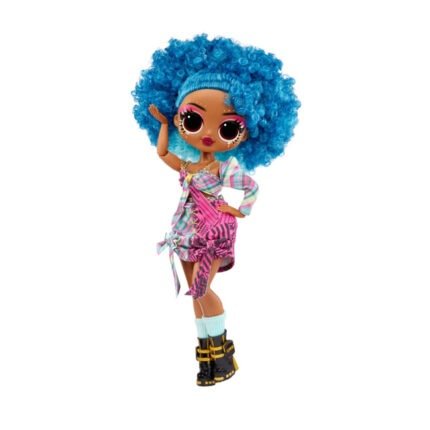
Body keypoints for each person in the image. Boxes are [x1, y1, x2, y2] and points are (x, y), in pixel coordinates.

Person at [132, 34, 300, 386]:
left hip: (213, 232)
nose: (208, 134)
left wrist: (238, 211)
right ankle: (207, 358)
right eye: (193, 121)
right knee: (195, 293)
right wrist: (163, 125)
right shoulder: (189, 166)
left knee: (201, 289)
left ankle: (223, 355)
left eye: (227, 127)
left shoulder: (224, 169)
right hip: (185, 232)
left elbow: (251, 187)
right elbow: (163, 153)